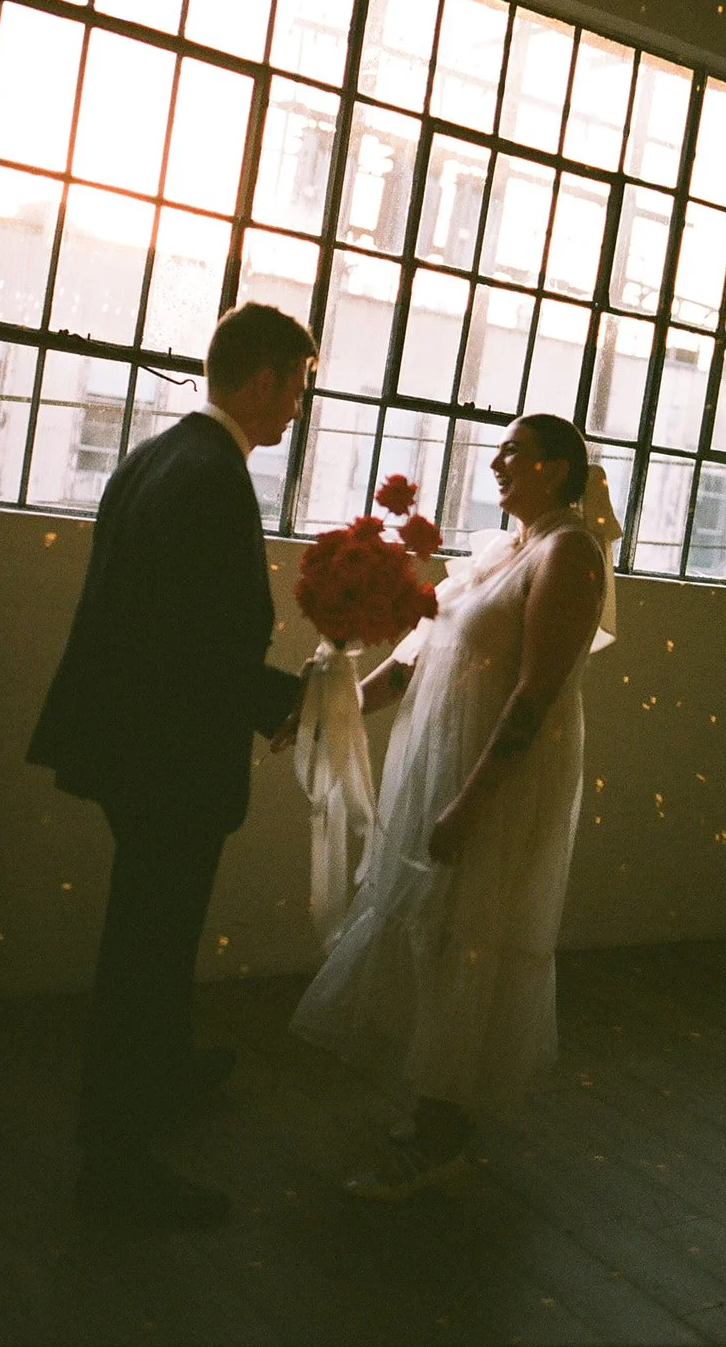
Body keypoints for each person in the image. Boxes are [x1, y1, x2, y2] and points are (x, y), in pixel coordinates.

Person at [28, 302, 316, 1227]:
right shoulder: (210, 475)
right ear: (264, 377)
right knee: (148, 941)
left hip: (132, 743)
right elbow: (195, 644)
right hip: (167, 756)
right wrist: (293, 701)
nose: (299, 410)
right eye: (299, 387)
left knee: (153, 929)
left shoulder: (161, 455)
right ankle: (114, 1161)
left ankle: (161, 1070)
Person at [289, 413, 619, 1200]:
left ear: (556, 468)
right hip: (437, 765)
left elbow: (536, 695)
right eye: (501, 450)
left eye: (516, 452)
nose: (499, 462)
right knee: (432, 932)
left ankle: (442, 1134)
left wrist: (471, 804)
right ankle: (433, 1111)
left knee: (472, 934)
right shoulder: (501, 549)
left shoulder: (569, 554)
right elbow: (409, 664)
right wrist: (320, 716)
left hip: (494, 783)